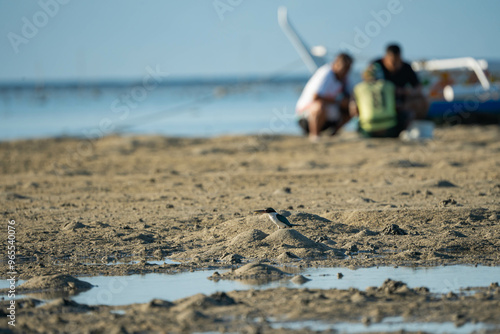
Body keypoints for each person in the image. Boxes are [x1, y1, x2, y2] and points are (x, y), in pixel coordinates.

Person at [296, 53, 353, 141]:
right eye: (344, 67)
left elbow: (350, 97)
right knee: (319, 105)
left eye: (348, 68)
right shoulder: (326, 73)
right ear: (336, 64)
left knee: (352, 106)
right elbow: (316, 97)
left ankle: (333, 133)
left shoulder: (344, 78)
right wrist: (339, 101)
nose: (346, 71)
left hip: (329, 118)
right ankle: (314, 136)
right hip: (306, 117)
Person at [351, 63, 411, 138]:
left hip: (368, 129)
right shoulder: (390, 85)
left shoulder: (358, 88)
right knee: (405, 113)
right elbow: (398, 104)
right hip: (389, 128)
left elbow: (354, 111)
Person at [373, 44, 428, 119]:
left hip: (402, 102)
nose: (394, 65)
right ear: (385, 58)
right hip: (380, 100)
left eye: (397, 61)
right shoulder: (376, 65)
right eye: (391, 62)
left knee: (422, 99)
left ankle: (417, 123)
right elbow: (367, 82)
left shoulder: (406, 67)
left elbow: (418, 86)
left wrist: (409, 92)